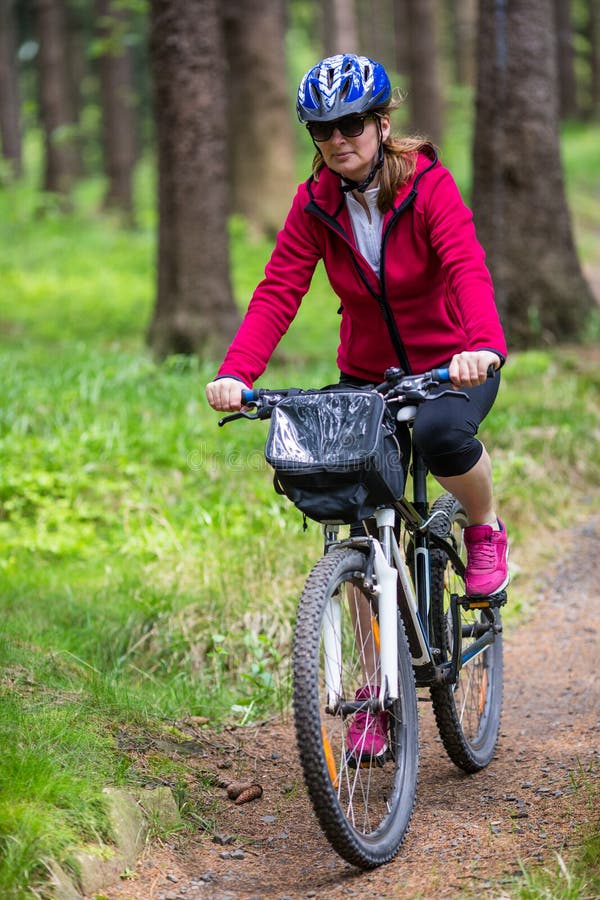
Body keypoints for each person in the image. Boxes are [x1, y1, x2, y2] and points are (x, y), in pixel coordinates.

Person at [207, 54, 509, 759]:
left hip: (452, 363)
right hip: (367, 374)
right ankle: (375, 691)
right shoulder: (315, 202)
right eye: (322, 129)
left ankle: (486, 528)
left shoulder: (428, 186)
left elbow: (465, 265)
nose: (337, 139)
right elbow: (280, 288)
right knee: (355, 517)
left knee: (440, 435)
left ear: (381, 123)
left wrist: (483, 347)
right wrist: (237, 373)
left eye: (350, 124)